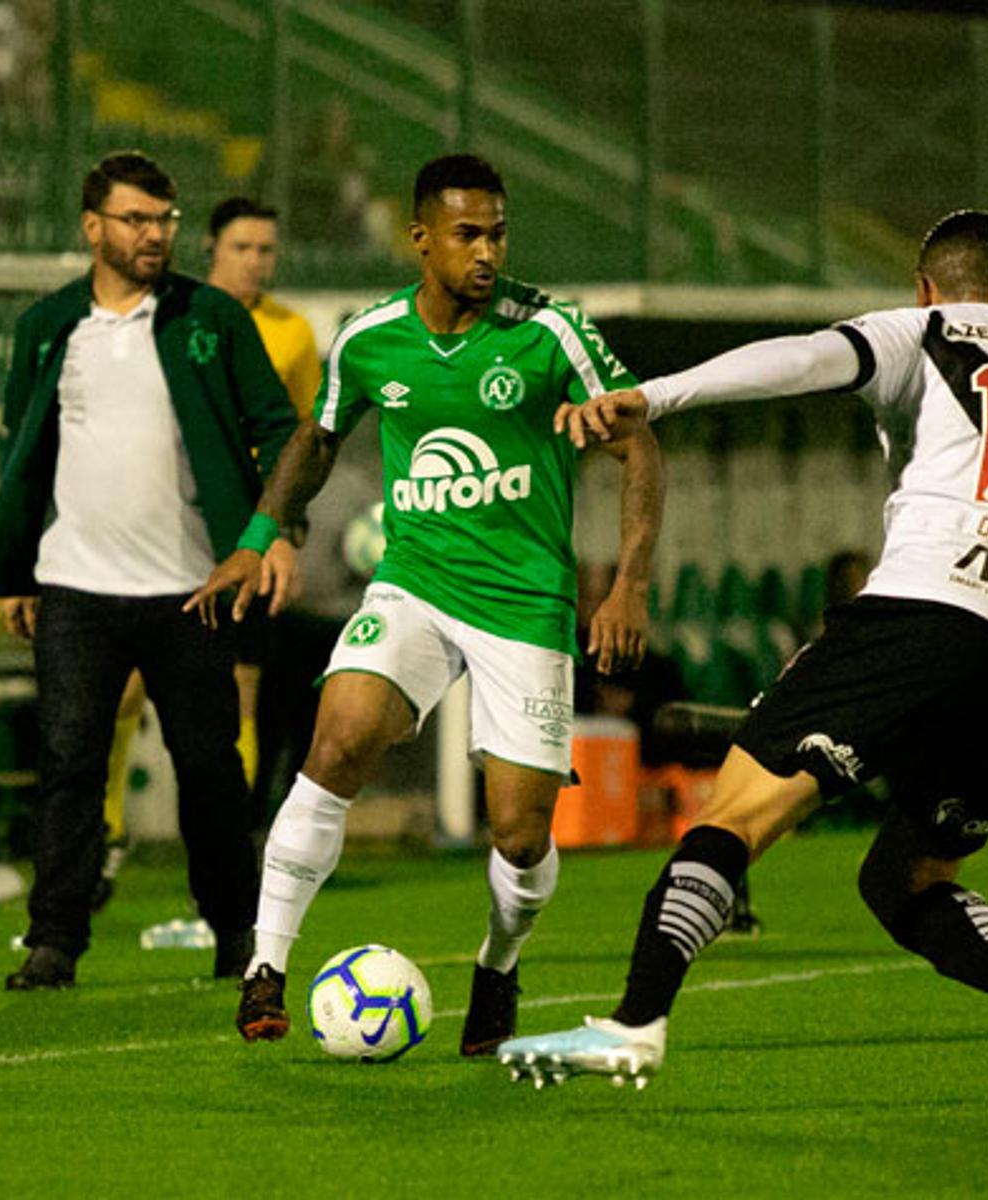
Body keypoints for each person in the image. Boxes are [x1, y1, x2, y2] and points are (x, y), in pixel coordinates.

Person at [498, 210, 988, 1110]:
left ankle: (634, 1025)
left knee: (734, 814)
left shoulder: (923, 331)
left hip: (923, 612)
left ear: (926, 287)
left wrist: (656, 396)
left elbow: (803, 360)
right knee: (904, 880)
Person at [191, 154, 664, 1055]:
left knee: (520, 834)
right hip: (414, 580)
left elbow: (639, 450)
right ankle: (266, 966)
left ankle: (499, 964)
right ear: (421, 239)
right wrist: (257, 538)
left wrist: (629, 586)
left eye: (497, 233)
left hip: (524, 603)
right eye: (467, 234)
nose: (487, 251)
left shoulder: (550, 331)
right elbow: (318, 437)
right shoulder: (372, 338)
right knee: (336, 741)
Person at [0, 151, 300, 991]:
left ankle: (235, 935)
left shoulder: (211, 316)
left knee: (212, 768)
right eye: (137, 220)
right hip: (75, 590)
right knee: (69, 764)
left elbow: (283, 430)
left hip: (194, 591)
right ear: (93, 227)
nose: (155, 236)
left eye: (166, 220)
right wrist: (19, 570)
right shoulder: (47, 328)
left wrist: (271, 533)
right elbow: (28, 456)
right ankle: (55, 942)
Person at [91, 196, 326, 906]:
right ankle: (103, 837)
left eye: (267, 250)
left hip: (245, 537)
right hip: (162, 529)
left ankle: (237, 849)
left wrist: (285, 531)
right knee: (125, 685)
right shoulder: (171, 314)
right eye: (243, 248)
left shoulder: (292, 334)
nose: (257, 261)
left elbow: (302, 441)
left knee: (239, 695)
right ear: (212, 249)